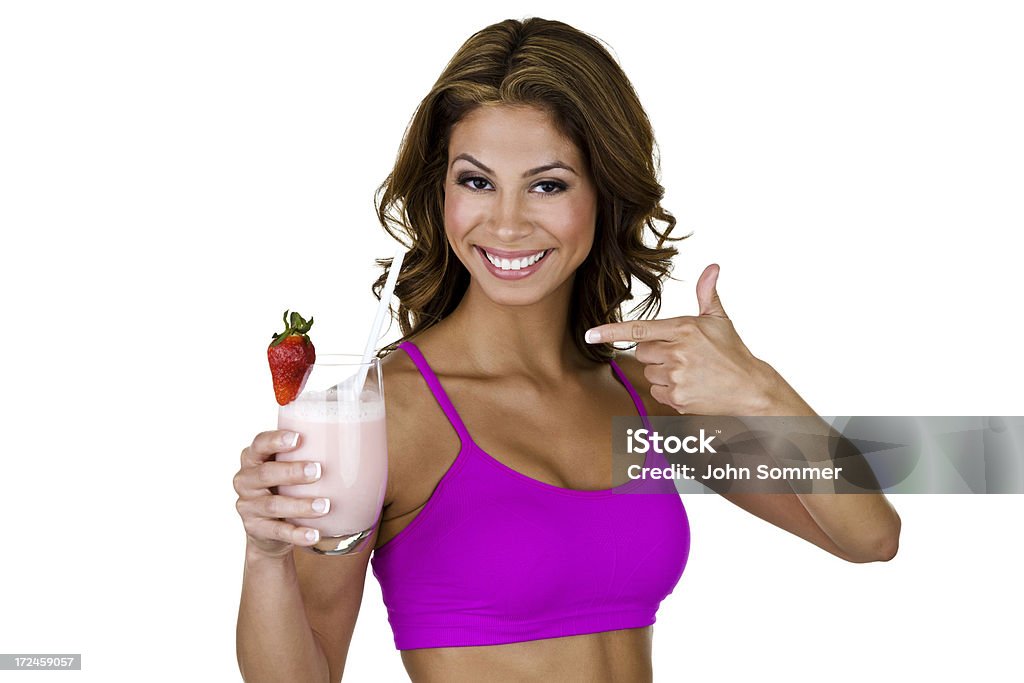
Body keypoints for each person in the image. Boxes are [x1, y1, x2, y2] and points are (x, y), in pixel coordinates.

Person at [233, 17, 901, 683]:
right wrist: (265, 554)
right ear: (440, 195)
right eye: (476, 181)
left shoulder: (643, 402)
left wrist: (759, 388)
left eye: (547, 184)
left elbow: (868, 534)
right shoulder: (389, 410)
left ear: (602, 194)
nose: (506, 222)